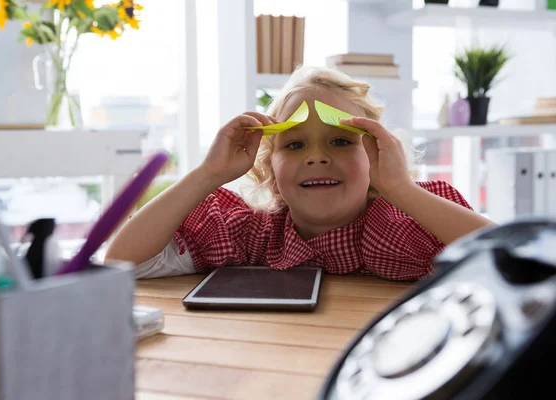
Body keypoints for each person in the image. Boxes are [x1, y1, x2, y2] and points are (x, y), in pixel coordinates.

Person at [105, 66, 494, 281]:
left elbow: (505, 256)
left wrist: (400, 189)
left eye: (341, 142)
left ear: (376, 157)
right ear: (270, 172)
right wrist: (208, 174)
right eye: (294, 145)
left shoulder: (404, 223)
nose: (317, 157)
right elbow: (124, 263)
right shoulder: (254, 233)